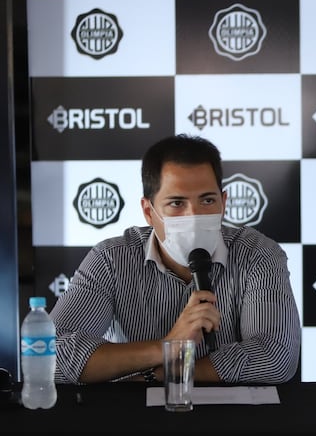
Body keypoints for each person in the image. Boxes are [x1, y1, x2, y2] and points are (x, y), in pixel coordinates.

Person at [52, 134, 301, 385]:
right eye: (176, 203)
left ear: (224, 203)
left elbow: (275, 358)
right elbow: (50, 356)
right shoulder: (111, 259)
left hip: (234, 420)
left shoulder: (258, 254)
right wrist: (167, 347)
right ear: (149, 212)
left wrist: (160, 375)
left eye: (207, 200)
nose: (194, 216)